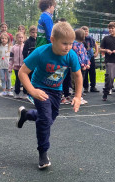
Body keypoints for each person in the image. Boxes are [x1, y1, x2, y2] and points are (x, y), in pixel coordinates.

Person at [15, 22, 83, 169]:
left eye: (71, 43)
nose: (68, 47)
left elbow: (77, 76)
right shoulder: (40, 52)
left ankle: (27, 114)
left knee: (50, 117)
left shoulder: (71, 55)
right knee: (45, 120)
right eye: (64, 43)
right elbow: (22, 72)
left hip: (56, 90)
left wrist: (77, 96)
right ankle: (43, 153)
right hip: (39, 88)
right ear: (52, 40)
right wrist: (32, 91)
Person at [72, 29, 90, 104]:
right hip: (78, 66)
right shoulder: (75, 45)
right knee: (77, 81)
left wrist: (88, 63)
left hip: (84, 66)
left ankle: (79, 96)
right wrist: (82, 65)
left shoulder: (82, 44)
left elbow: (85, 55)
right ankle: (77, 96)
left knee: (81, 80)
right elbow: (77, 56)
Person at [81, 26, 99, 93]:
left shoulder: (90, 38)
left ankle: (93, 86)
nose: (85, 32)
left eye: (87, 31)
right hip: (84, 58)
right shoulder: (81, 39)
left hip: (91, 57)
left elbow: (95, 44)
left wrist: (96, 52)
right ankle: (85, 87)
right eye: (84, 31)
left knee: (92, 72)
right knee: (85, 72)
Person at [0, 32, 13, 97]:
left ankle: (9, 90)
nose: (4, 40)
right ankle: (4, 91)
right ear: (0, 39)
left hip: (8, 66)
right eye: (2, 38)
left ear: (8, 39)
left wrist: (11, 65)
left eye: (5, 38)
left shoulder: (10, 48)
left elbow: (12, 57)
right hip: (1, 66)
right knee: (2, 78)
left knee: (8, 78)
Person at [10, 32, 27, 99]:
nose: (20, 39)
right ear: (16, 38)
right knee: (18, 79)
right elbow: (11, 58)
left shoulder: (25, 46)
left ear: (24, 38)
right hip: (16, 66)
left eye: (22, 37)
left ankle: (25, 93)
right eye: (19, 37)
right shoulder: (13, 47)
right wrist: (10, 67)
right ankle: (17, 92)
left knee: (25, 79)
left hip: (23, 66)